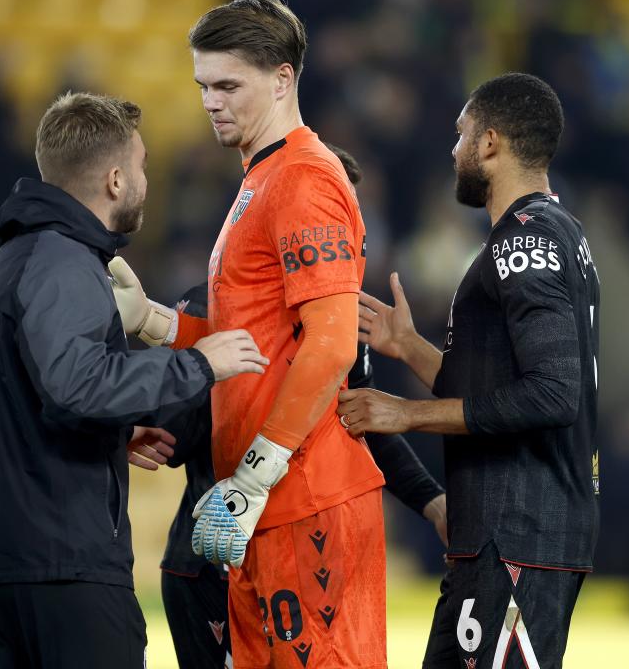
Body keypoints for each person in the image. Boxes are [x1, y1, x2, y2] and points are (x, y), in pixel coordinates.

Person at [0, 91, 269, 667]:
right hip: (60, 572)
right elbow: (75, 383)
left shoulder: (7, 264)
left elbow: (31, 403)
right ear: (115, 180)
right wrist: (198, 363)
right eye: (140, 166)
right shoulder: (63, 260)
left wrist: (113, 430)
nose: (144, 180)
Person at [110, 0, 389, 668]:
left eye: (228, 85)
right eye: (203, 85)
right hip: (257, 504)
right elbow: (250, 340)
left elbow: (330, 339)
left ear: (283, 80)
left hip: (303, 495)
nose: (211, 101)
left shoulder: (302, 180)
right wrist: (155, 320)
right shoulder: (260, 179)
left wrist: (259, 473)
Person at [338, 72, 601, 669]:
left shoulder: (519, 245)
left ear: (489, 143)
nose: (453, 151)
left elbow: (552, 396)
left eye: (460, 136)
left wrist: (407, 414)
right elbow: (503, 390)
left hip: (517, 536)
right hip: (511, 538)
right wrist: (409, 347)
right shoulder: (556, 233)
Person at [157, 144, 448, 669]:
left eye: (349, 213)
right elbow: (175, 438)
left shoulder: (337, 319)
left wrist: (431, 502)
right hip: (214, 561)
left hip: (299, 545)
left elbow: (361, 419)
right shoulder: (212, 308)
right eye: (333, 213)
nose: (340, 231)